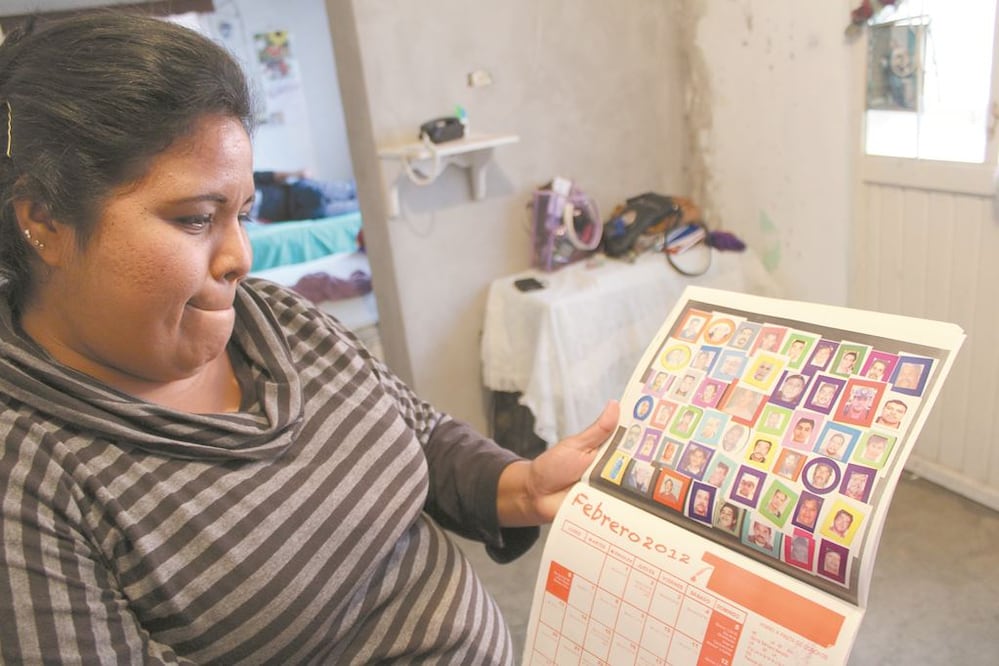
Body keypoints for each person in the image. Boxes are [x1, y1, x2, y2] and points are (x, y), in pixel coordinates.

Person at [0, 14, 620, 664]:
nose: (240, 257)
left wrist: (523, 487)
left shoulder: (279, 320)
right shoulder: (33, 482)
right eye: (194, 219)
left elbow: (420, 433)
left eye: (242, 215)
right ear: (45, 220)